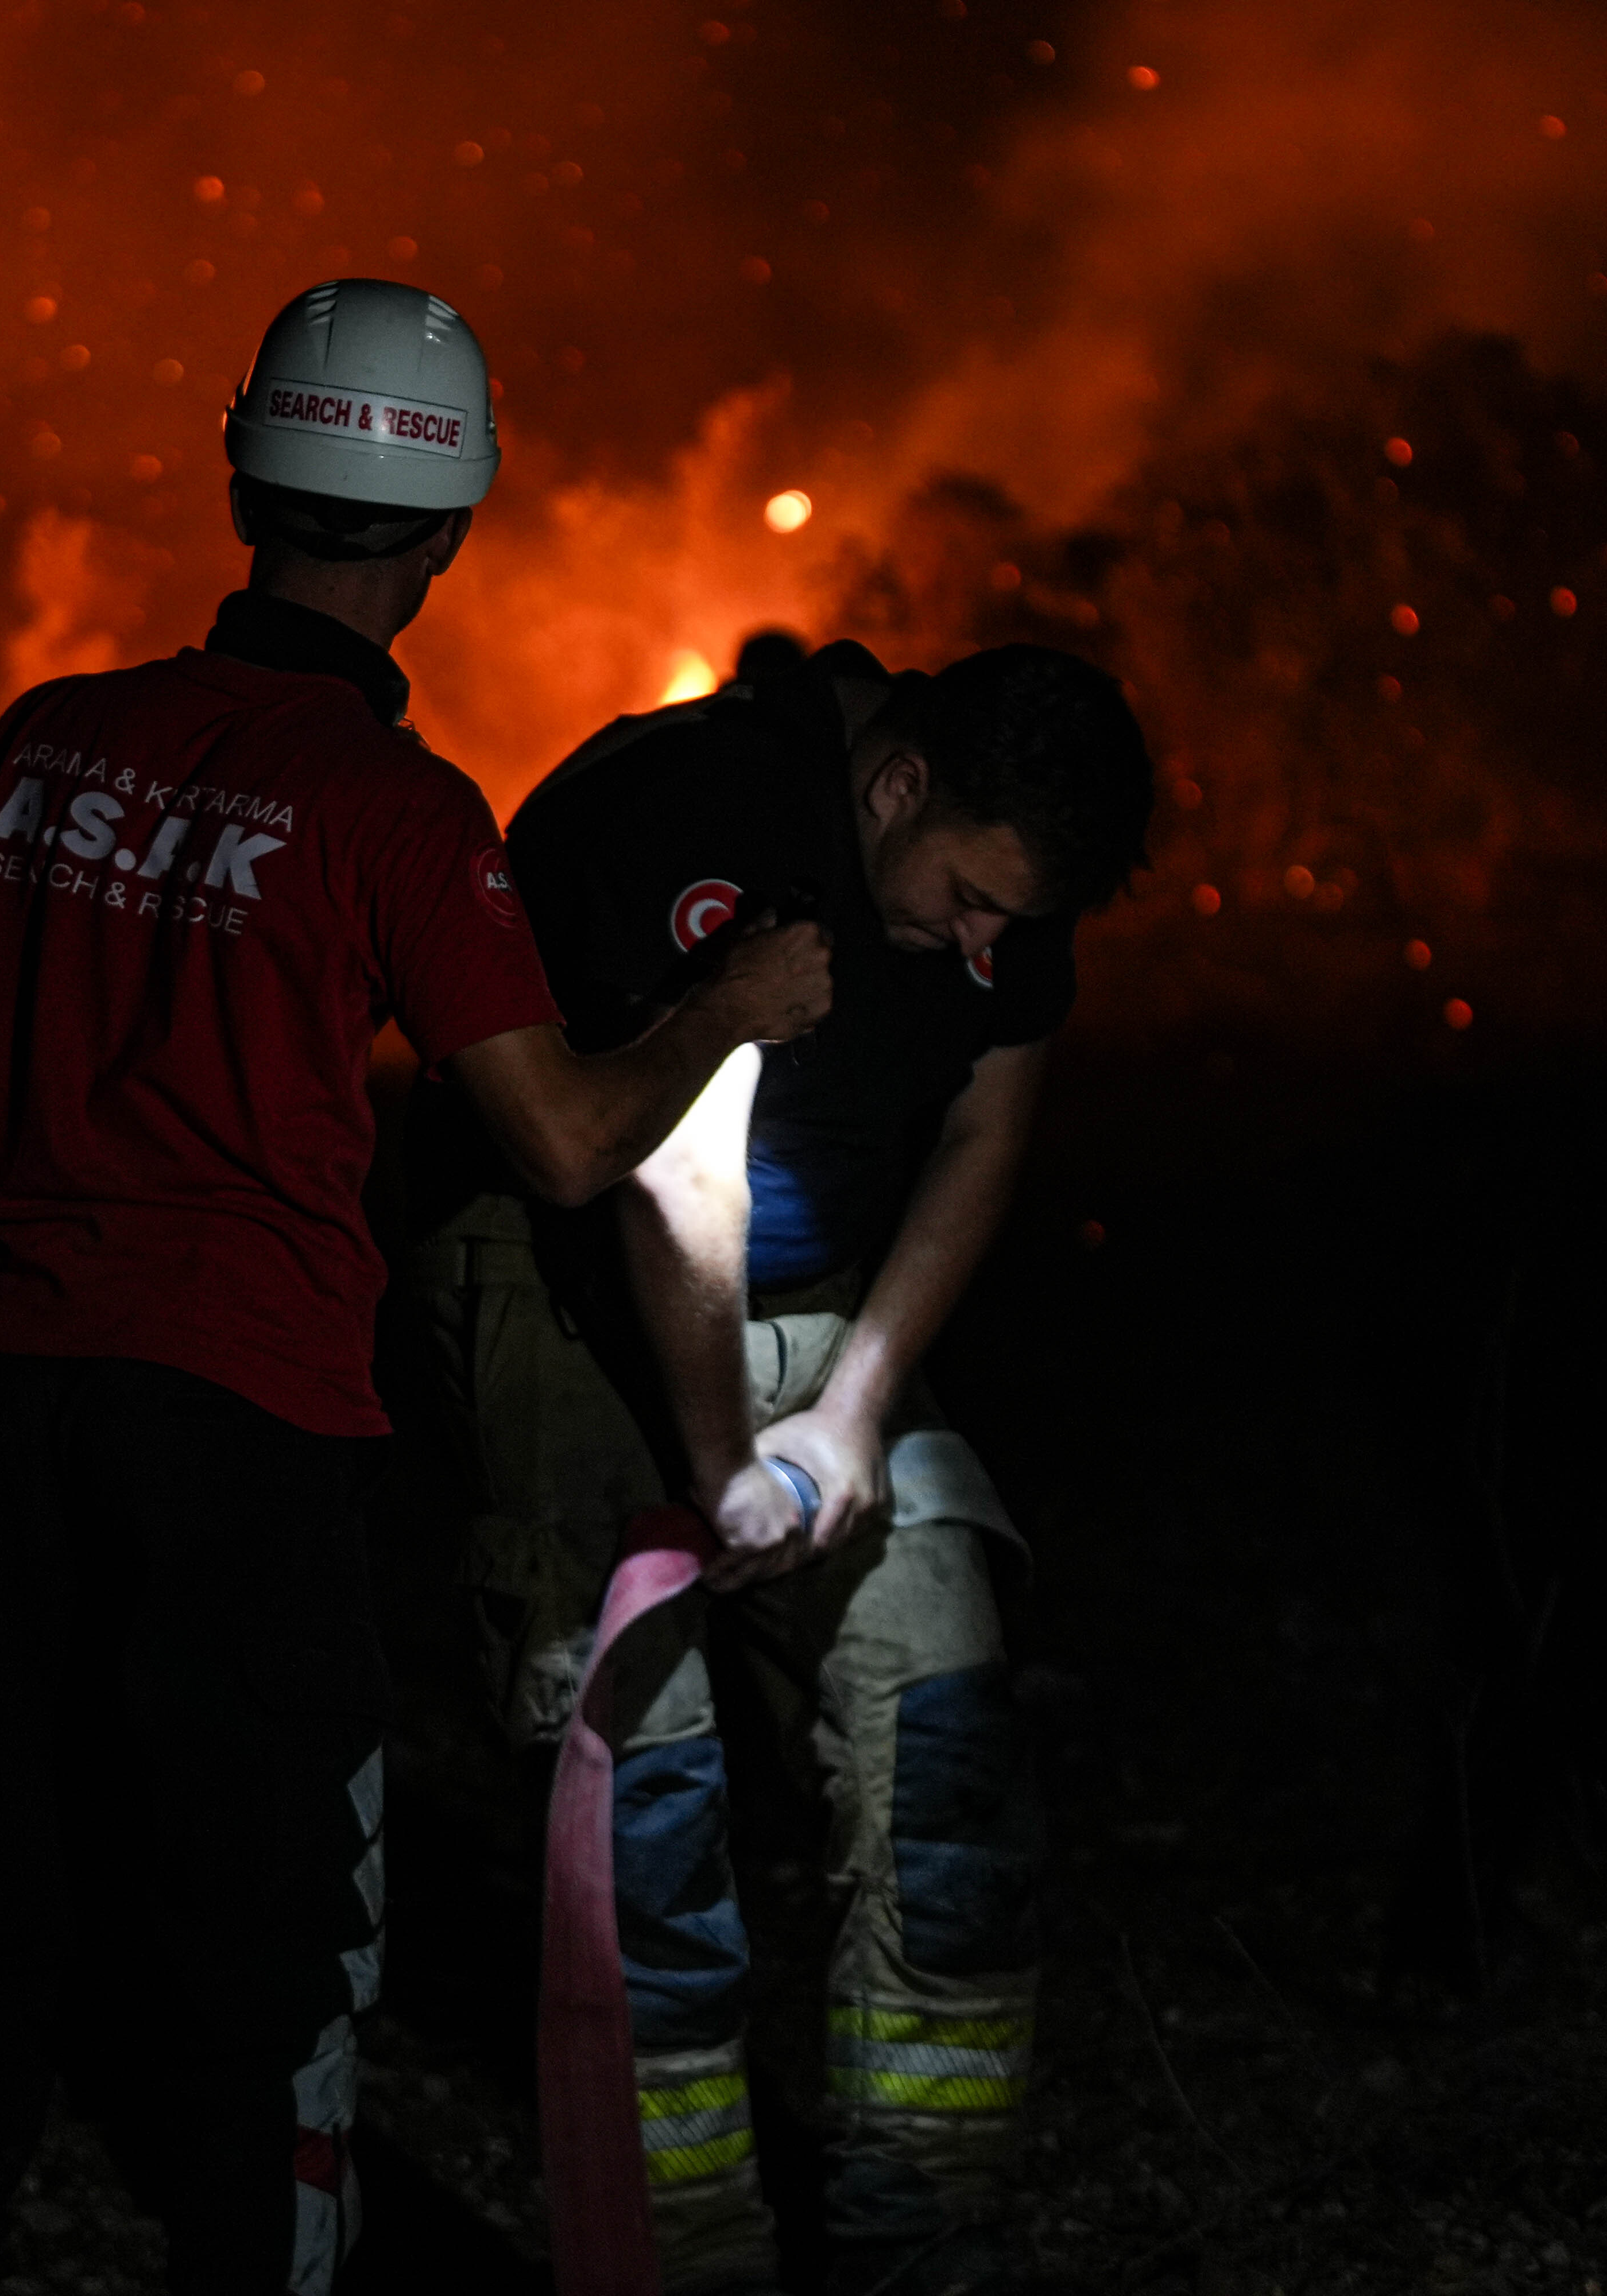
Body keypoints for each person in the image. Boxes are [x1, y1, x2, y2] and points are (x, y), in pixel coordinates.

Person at [0, 277, 832, 2295]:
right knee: (264, 1962)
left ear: (241, 474)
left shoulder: (46, 739)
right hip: (239, 1437)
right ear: (454, 533)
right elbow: (565, 1141)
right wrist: (722, 1010)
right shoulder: (399, 811)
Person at [406, 638, 1155, 2293]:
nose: (984, 947)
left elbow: (987, 1124)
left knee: (947, 1735)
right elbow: (679, 1185)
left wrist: (861, 1413)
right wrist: (725, 1466)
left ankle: (913, 2237)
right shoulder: (706, 811)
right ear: (897, 789)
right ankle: (687, 2256)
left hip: (816, 1308)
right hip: (582, 1282)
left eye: (1012, 926)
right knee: (640, 1810)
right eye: (968, 900)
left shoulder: (1002, 865)